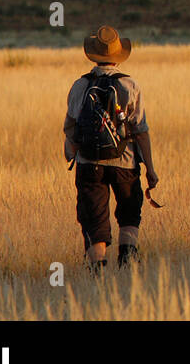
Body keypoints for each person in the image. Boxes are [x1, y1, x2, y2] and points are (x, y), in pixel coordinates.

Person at [62, 25, 159, 274]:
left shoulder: (79, 86)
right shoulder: (129, 85)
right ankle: (128, 265)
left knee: (95, 221)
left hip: (89, 163)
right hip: (125, 162)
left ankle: (98, 276)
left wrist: (72, 153)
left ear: (93, 55)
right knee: (129, 213)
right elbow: (141, 131)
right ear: (118, 55)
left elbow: (70, 129)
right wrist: (150, 168)